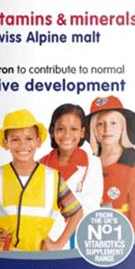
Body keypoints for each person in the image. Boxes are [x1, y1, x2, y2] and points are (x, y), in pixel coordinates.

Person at [0, 109, 82, 252]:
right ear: (6, 143)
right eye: (15, 139)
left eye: (29, 138)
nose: (23, 145)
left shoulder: (53, 178)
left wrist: (59, 244)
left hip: (39, 258)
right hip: (3, 258)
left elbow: (76, 212)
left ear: (38, 141)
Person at [40, 103, 103, 249]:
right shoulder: (41, 165)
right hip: (46, 235)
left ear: (82, 132)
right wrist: (71, 201)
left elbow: (91, 205)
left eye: (73, 129)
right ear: (52, 131)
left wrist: (55, 203)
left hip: (77, 235)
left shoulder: (92, 163)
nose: (67, 135)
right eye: (61, 129)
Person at [87, 95, 135, 233]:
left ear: (122, 127)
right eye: (100, 124)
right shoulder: (87, 164)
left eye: (113, 123)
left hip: (123, 239)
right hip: (90, 237)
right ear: (94, 130)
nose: (106, 129)